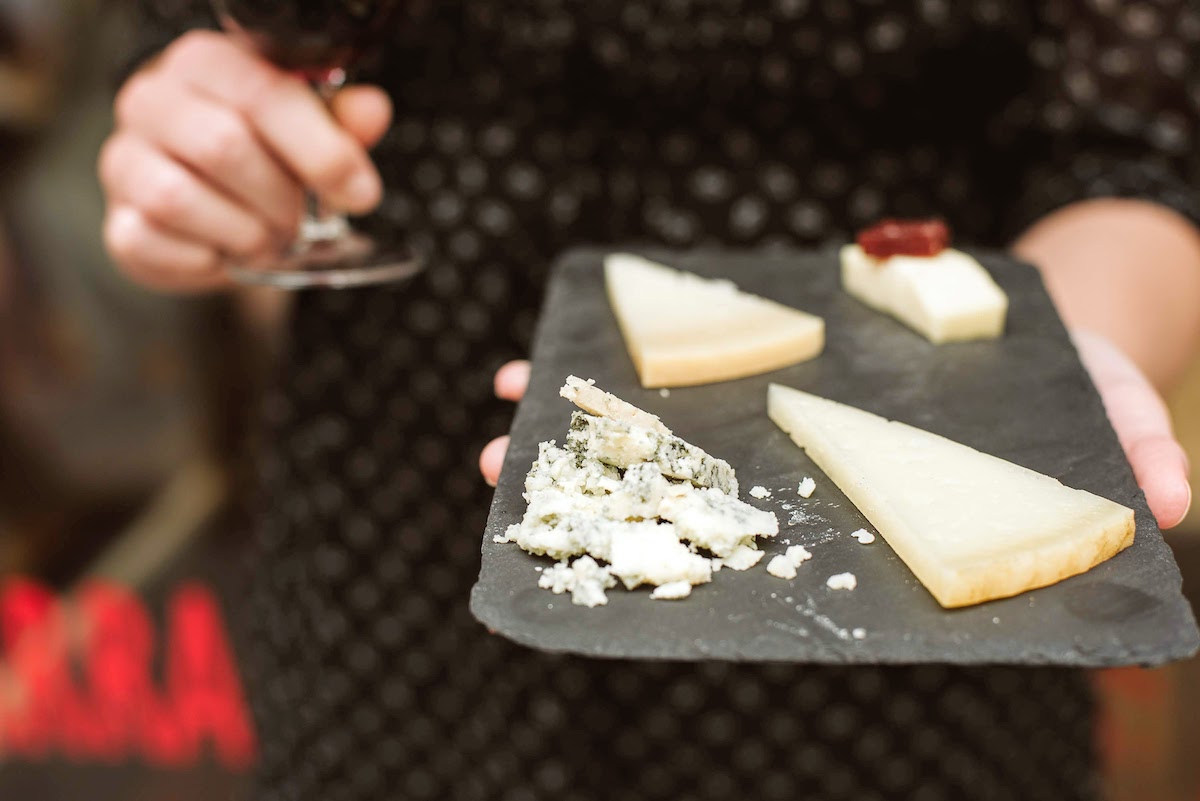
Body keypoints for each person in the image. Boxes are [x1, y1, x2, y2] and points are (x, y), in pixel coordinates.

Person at [100, 3, 1198, 799]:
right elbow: (182, 43)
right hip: (391, 530)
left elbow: (1130, 156)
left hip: (880, 596)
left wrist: (1064, 358)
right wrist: (207, 166)